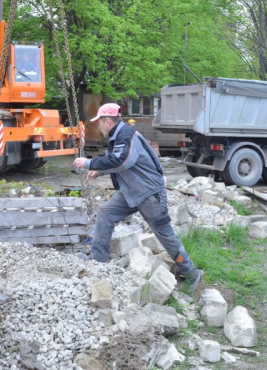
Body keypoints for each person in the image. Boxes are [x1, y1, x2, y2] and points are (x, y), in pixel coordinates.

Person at [74, 103, 204, 291]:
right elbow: (117, 161)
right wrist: (98, 171)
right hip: (131, 191)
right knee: (105, 213)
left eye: (99, 123)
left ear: (107, 121)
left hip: (149, 193)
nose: (99, 127)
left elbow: (123, 160)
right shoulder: (117, 136)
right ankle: (99, 260)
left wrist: (88, 163)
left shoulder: (126, 135)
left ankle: (191, 272)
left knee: (164, 232)